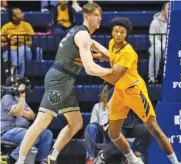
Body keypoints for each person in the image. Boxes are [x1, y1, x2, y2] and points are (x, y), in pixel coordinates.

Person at [75, 17, 181, 164]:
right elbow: (113, 58)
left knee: (153, 128)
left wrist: (90, 66)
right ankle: (133, 159)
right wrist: (97, 56)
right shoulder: (112, 44)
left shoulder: (129, 52)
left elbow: (115, 77)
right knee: (113, 133)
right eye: (116, 31)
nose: (118, 34)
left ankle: (175, 161)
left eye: (122, 32)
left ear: (126, 34)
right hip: (120, 92)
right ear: (112, 32)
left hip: (134, 91)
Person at [16, 3, 112, 164]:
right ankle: (20, 160)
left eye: (100, 15)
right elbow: (90, 68)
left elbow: (99, 48)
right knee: (42, 121)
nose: (100, 18)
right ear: (86, 16)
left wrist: (114, 58)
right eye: (96, 15)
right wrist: (111, 71)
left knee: (76, 123)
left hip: (65, 80)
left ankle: (51, 158)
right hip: (59, 80)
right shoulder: (83, 36)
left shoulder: (80, 32)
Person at [85, 86, 151, 164]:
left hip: (131, 125)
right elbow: (108, 106)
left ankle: (136, 156)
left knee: (147, 130)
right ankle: (102, 156)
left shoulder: (134, 91)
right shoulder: (113, 91)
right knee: (118, 140)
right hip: (117, 123)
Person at [1, 75, 52, 164]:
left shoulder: (19, 99)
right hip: (7, 132)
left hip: (22, 131)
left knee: (47, 134)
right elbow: (19, 113)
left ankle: (40, 161)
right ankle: (13, 158)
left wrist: (20, 110)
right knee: (33, 135)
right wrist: (22, 99)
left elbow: (31, 115)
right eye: (20, 84)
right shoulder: (6, 97)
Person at [1, 7, 34, 77]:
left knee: (22, 49)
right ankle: (18, 80)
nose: (22, 15)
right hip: (11, 50)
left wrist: (20, 41)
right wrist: (9, 43)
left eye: (21, 13)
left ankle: (13, 67)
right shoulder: (6, 27)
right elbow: (2, 44)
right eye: (19, 14)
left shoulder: (27, 25)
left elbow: (30, 43)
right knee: (17, 58)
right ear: (13, 17)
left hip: (26, 51)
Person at [148, 2, 169, 83]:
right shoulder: (155, 23)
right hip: (158, 47)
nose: (170, 11)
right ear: (163, 10)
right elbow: (153, 39)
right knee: (155, 50)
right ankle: (152, 77)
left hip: (170, 47)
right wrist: (163, 46)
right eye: (168, 9)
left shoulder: (175, 22)